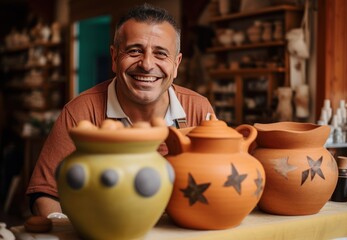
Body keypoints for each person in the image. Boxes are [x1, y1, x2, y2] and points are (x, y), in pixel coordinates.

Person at [26, 3, 215, 217]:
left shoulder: (199, 109)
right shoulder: (79, 112)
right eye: (135, 51)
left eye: (161, 54)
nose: (146, 64)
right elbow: (45, 195)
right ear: (114, 58)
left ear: (176, 64)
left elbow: (218, 184)